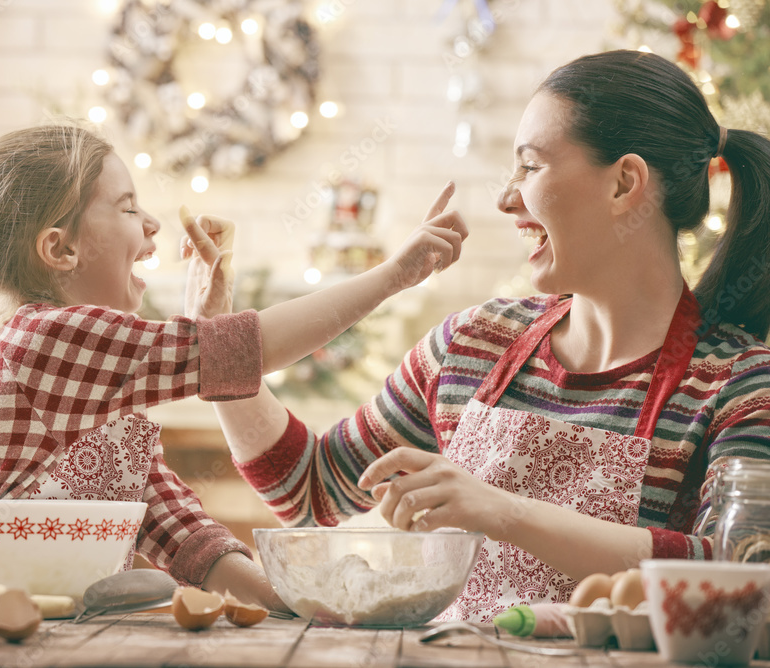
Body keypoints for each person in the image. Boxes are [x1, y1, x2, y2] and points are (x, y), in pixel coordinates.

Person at [212, 49, 770, 621]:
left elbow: (739, 574)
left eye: (530, 167)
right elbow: (312, 490)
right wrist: (215, 347)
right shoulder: (473, 345)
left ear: (625, 183)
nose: (507, 200)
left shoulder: (739, 384)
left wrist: (505, 512)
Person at [0, 123, 467, 611]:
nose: (151, 223)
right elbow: (245, 350)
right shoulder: (45, 338)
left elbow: (176, 529)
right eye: (127, 207)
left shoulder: (99, 395)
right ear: (60, 250)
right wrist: (393, 276)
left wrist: (292, 596)